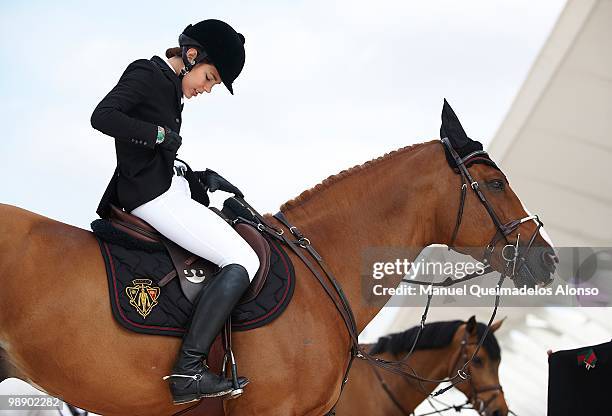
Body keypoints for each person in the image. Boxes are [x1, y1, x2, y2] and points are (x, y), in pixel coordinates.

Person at [90, 19, 259, 404]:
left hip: (166, 187)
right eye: (210, 77)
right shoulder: (148, 73)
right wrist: (161, 136)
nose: (208, 88)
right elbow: (103, 116)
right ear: (192, 55)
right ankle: (188, 370)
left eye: (214, 83)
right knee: (242, 260)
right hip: (150, 197)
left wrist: (196, 176)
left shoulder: (170, 89)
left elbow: (159, 155)